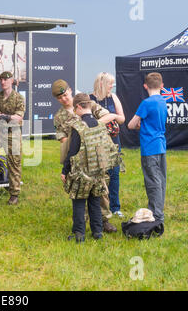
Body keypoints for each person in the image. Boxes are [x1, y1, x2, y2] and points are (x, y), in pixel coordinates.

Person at [52, 79, 118, 233]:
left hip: (95, 155)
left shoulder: (87, 103)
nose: (64, 98)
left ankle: (103, 220)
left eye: (65, 94)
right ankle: (83, 223)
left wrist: (88, 129)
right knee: (79, 189)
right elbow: (62, 138)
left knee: (99, 189)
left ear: (70, 90)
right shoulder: (59, 116)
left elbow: (108, 116)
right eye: (60, 97)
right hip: (77, 155)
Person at [128, 72, 167, 223]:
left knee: (152, 182)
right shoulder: (163, 101)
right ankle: (156, 210)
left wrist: (140, 125)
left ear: (145, 86)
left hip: (149, 148)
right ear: (162, 86)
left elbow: (131, 124)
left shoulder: (146, 103)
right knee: (160, 180)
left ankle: (157, 216)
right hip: (161, 146)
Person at [90, 72, 126, 218]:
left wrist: (113, 116)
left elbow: (122, 119)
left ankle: (115, 206)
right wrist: (108, 118)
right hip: (97, 141)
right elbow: (90, 122)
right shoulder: (90, 99)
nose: (112, 86)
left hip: (113, 141)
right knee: (98, 174)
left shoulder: (114, 97)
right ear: (101, 84)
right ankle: (98, 206)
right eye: (110, 83)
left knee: (114, 173)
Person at [0, 71, 25, 205]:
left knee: (14, 163)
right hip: (0, 132)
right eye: (1, 80)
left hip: (13, 134)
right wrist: (9, 116)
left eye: (6, 79)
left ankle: (14, 194)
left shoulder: (19, 98)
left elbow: (19, 117)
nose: (3, 82)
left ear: (11, 81)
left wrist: (5, 116)